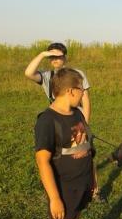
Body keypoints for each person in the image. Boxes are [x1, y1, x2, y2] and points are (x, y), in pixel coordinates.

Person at [35, 68, 94, 219]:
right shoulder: (47, 120)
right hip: (63, 188)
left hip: (83, 183)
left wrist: (93, 179)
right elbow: (42, 162)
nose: (84, 94)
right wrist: (55, 198)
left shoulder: (78, 115)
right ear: (70, 90)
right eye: (81, 89)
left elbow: (87, 147)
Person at [25, 42, 104, 201]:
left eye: (59, 56)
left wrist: (85, 125)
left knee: (84, 153)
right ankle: (55, 189)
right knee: (56, 156)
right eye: (52, 56)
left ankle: (94, 190)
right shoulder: (47, 76)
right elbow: (28, 73)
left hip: (76, 119)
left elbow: (86, 99)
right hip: (57, 122)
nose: (55, 59)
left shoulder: (76, 74)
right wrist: (42, 54)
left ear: (65, 57)